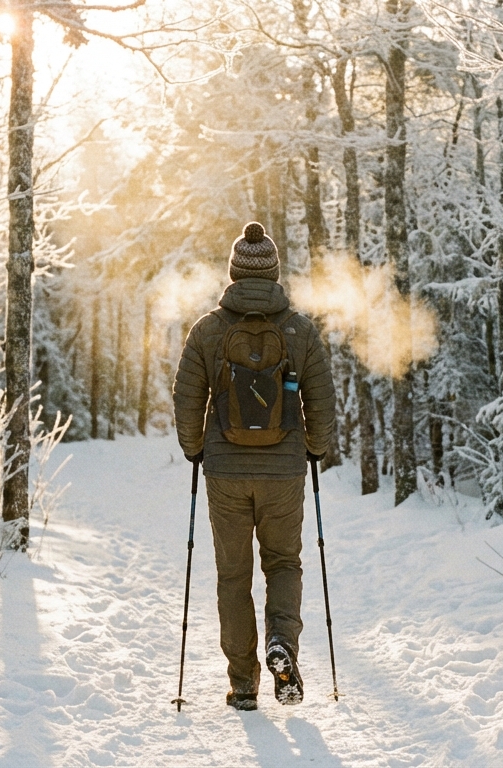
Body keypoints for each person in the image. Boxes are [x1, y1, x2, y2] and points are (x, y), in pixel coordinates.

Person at [173, 222, 337, 711]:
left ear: (233, 274)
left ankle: (243, 683)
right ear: (274, 273)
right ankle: (282, 643)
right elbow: (322, 399)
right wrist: (315, 448)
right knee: (284, 563)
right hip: (284, 471)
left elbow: (186, 399)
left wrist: (195, 449)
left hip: (224, 471)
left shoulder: (208, 330)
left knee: (233, 575)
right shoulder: (300, 330)